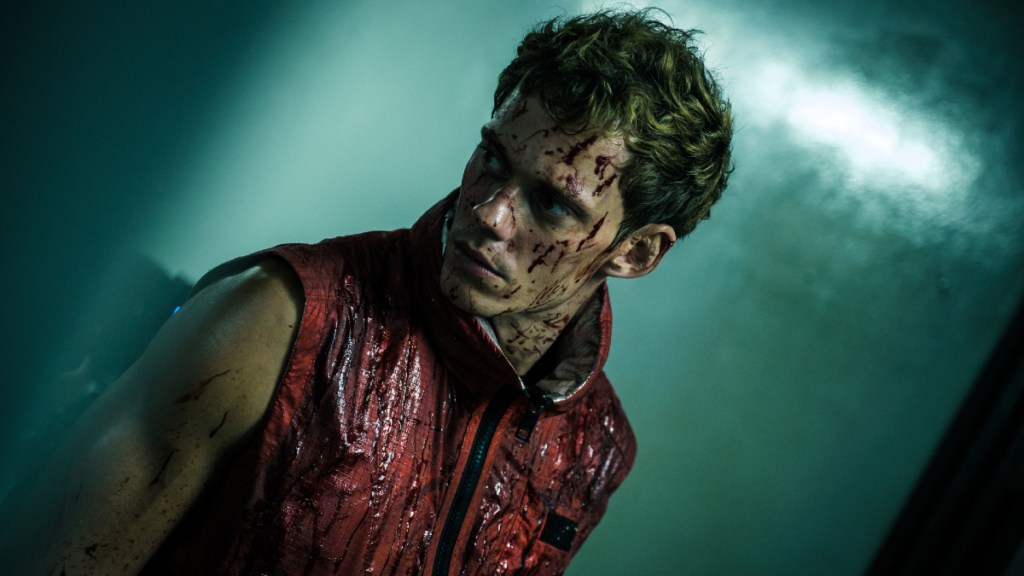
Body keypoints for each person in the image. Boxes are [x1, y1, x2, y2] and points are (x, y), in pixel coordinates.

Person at [1, 8, 732, 575]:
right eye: (492, 159)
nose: (489, 213)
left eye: (551, 202)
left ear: (635, 251)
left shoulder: (595, 447)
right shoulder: (279, 320)